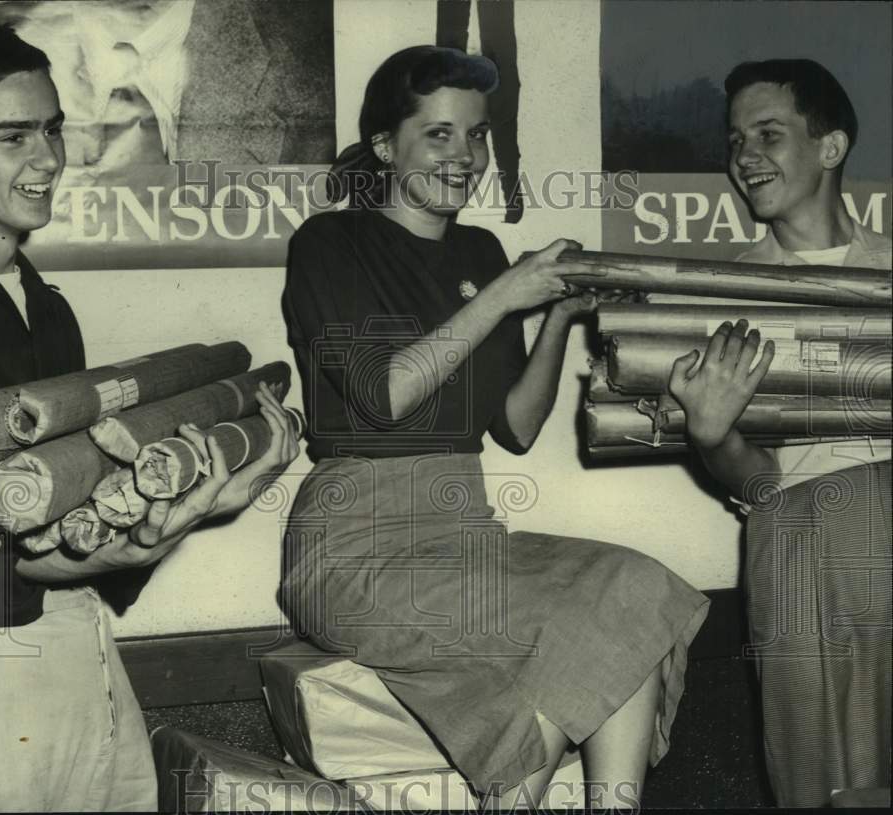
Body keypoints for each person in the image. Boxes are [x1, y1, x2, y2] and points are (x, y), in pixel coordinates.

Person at [280, 45, 709, 810]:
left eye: (477, 135)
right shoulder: (329, 242)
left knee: (633, 583)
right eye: (439, 134)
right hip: (354, 546)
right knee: (575, 649)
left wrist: (554, 318)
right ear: (386, 146)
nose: (465, 154)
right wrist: (505, 294)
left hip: (464, 526)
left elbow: (514, 427)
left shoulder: (480, 251)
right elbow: (383, 395)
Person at [0, 23, 299, 812]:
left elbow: (79, 521)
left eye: (51, 129)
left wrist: (183, 500)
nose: (47, 159)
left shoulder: (44, 308)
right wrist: (184, 518)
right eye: (13, 136)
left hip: (78, 640)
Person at [667, 59, 891, 807]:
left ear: (831, 147)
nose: (745, 157)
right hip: (804, 542)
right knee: (823, 784)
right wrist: (711, 435)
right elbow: (758, 483)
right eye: (735, 141)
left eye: (768, 133)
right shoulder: (722, 297)